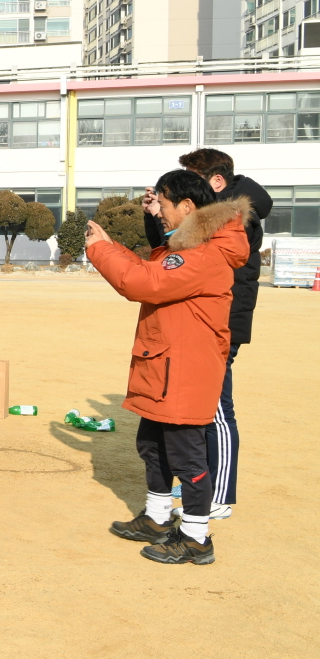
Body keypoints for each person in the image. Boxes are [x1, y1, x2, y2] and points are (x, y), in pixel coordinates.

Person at [91, 169, 249, 566]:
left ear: (187, 206)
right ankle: (158, 517)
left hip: (182, 371)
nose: (158, 212)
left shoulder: (206, 255)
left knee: (187, 458)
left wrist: (100, 250)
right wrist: (113, 246)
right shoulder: (193, 247)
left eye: (162, 205)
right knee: (153, 446)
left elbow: (143, 284)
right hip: (166, 367)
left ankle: (197, 536)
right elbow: (152, 271)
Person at [142, 149, 271, 521]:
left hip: (221, 323)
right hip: (199, 322)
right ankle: (203, 482)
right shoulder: (209, 217)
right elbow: (169, 252)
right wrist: (157, 214)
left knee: (216, 408)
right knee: (199, 408)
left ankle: (220, 493)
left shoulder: (232, 220)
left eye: (193, 180)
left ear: (215, 182)